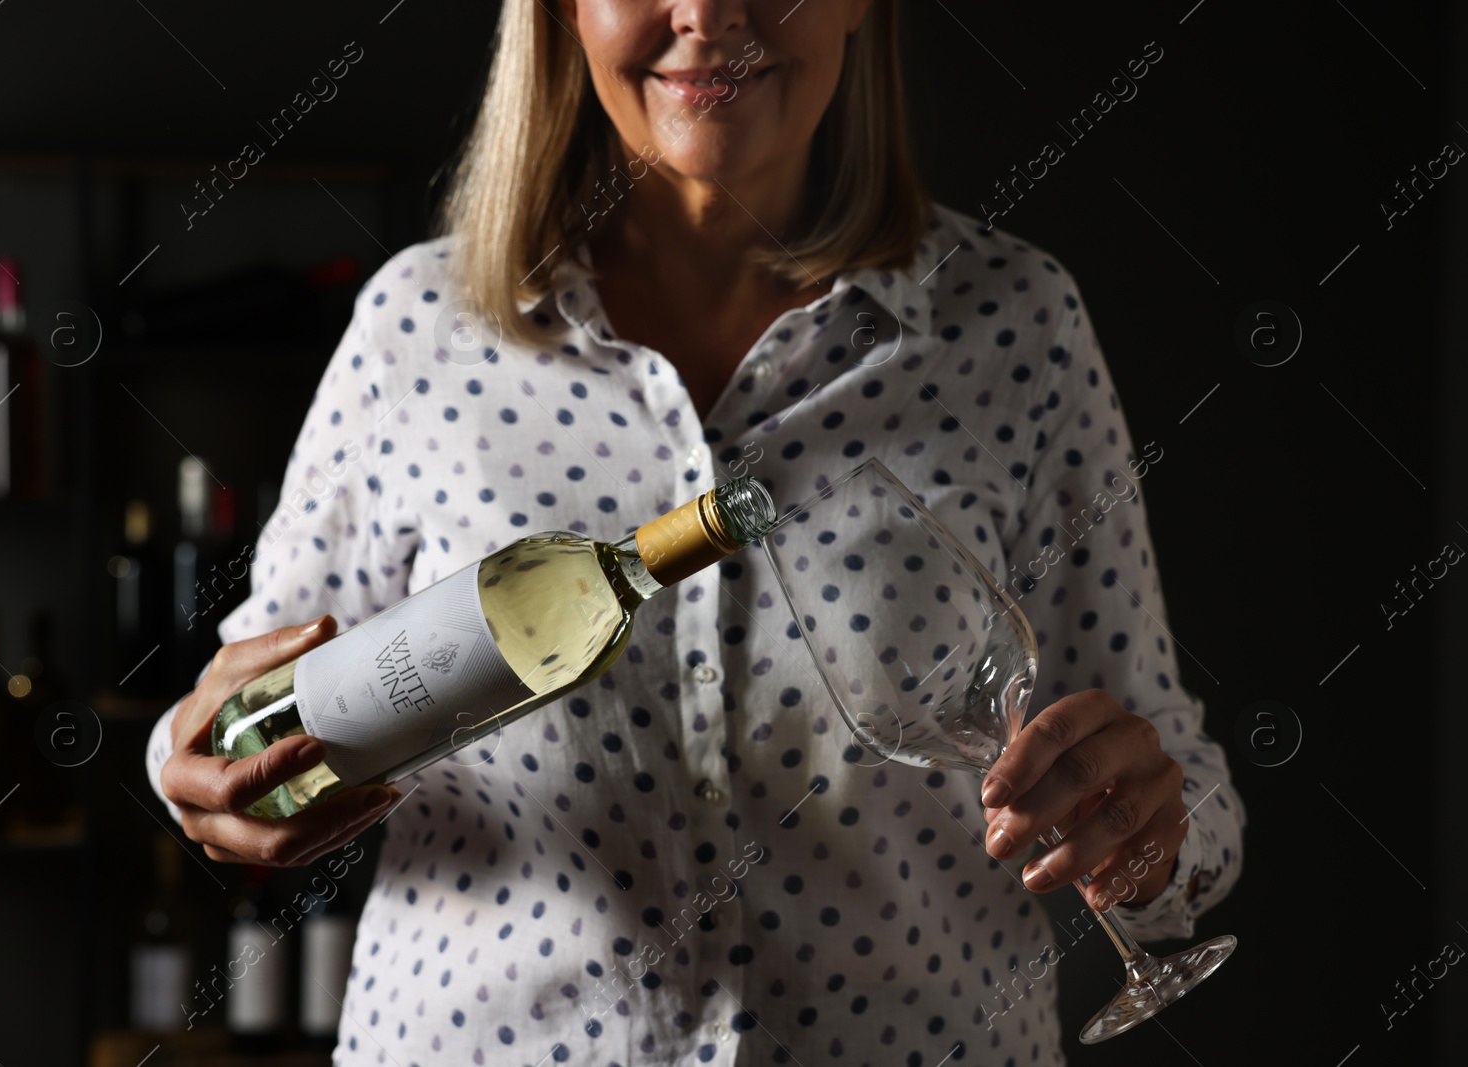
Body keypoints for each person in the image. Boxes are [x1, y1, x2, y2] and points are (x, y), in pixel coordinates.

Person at [147, 1, 1244, 1062]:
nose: (710, 15)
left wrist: (1147, 835)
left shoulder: (1013, 320)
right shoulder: (420, 327)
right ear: (561, 9)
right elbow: (243, 710)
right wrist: (190, 771)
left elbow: (1181, 792)